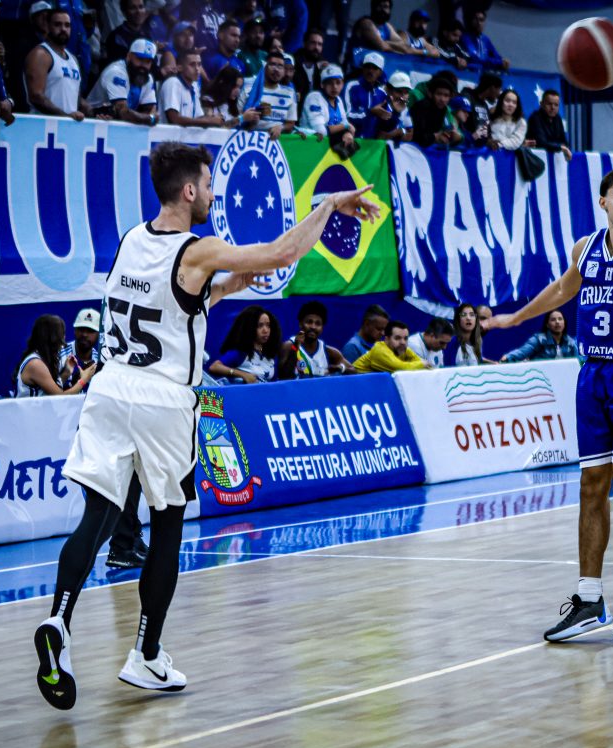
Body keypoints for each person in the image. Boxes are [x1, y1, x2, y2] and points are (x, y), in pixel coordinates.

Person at [33, 140, 379, 709]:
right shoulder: (197, 248)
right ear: (190, 190)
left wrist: (217, 293)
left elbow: (165, 308)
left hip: (110, 389)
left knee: (97, 515)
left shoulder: (131, 240)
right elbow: (280, 254)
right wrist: (328, 204)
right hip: (162, 399)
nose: (214, 195)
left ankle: (59, 621)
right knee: (168, 523)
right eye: (211, 185)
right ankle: (146, 654)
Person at [485, 167, 613, 643]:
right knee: (590, 485)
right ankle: (589, 598)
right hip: (593, 373)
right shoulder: (586, 247)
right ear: (603, 201)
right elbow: (563, 289)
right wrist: (515, 319)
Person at [24, 8, 87, 119]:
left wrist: (94, 111)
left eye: (67, 25)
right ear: (47, 27)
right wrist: (65, 116)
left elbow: (73, 99)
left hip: (67, 126)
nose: (63, 29)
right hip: (42, 125)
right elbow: (36, 97)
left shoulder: (73, 59)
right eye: (57, 24)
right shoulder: (41, 54)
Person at [14, 314, 97, 397]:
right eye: (61, 335)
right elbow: (59, 397)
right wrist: (83, 379)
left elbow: (52, 391)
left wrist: (66, 372)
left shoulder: (39, 359)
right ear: (51, 338)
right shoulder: (35, 364)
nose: (63, 339)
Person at [87, 37, 158, 123]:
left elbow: (151, 110)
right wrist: (150, 119)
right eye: (140, 59)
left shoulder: (147, 78)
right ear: (129, 56)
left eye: (148, 62)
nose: (143, 65)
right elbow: (123, 113)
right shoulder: (116, 72)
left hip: (117, 124)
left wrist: (149, 117)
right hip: (92, 120)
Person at [208, 304, 282, 383]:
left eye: (268, 325)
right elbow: (214, 367)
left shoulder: (270, 356)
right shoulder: (240, 353)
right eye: (260, 326)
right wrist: (243, 374)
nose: (266, 330)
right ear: (249, 327)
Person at [284, 300, 354, 378]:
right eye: (309, 322)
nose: (313, 327)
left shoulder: (329, 352)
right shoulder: (289, 346)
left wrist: (341, 368)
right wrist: (295, 348)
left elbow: (354, 371)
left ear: (322, 328)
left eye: (318, 324)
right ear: (300, 324)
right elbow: (283, 376)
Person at [163, 49, 230, 126]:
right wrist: (208, 121)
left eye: (199, 64)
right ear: (179, 68)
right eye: (192, 65)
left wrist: (214, 119)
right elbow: (174, 119)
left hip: (186, 133)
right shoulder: (172, 83)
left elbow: (198, 117)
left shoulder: (194, 86)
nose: (197, 69)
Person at [239, 49, 297, 138]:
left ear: (283, 71)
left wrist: (280, 127)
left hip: (276, 143)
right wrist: (250, 117)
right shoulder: (248, 90)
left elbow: (291, 123)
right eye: (272, 64)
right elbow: (237, 117)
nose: (276, 69)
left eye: (280, 66)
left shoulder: (290, 93)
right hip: (248, 139)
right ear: (265, 67)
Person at [299, 63, 354, 153]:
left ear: (343, 84)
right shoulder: (314, 97)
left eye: (338, 82)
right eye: (329, 83)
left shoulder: (339, 100)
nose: (334, 87)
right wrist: (345, 126)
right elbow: (321, 131)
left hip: (324, 149)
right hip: (307, 147)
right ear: (322, 84)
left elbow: (344, 123)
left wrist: (347, 133)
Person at [500, 309, 578, 362]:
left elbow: (579, 361)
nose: (557, 322)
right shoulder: (539, 340)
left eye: (560, 319)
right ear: (547, 324)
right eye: (553, 320)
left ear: (564, 323)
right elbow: (522, 352)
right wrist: (507, 358)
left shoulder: (571, 342)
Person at [103, 0, 166, 64]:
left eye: (141, 7)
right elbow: (123, 64)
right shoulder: (116, 37)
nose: (138, 11)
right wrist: (151, 50)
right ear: (124, 12)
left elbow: (153, 64)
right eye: (133, 8)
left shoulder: (147, 34)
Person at [352, 320, 427, 373]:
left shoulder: (403, 349)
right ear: (387, 339)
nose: (403, 342)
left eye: (405, 338)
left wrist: (423, 365)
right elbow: (401, 368)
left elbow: (425, 368)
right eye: (397, 338)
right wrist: (422, 364)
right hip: (351, 384)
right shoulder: (380, 351)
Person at [345, 50, 385, 139]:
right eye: (367, 67)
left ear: (380, 72)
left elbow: (387, 121)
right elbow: (345, 116)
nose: (370, 71)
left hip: (372, 144)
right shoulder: (351, 87)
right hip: (352, 139)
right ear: (362, 68)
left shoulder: (382, 93)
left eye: (375, 68)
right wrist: (370, 112)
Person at [410, 75, 460, 148]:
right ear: (430, 94)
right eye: (439, 94)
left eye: (446, 95)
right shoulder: (420, 107)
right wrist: (435, 137)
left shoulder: (443, 109)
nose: (442, 99)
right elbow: (417, 136)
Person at [59, 308, 101, 389]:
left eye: (90, 330)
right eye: (81, 329)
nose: (84, 334)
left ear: (98, 334)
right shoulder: (59, 354)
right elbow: (47, 393)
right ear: (74, 330)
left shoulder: (101, 361)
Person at [526, 88, 571, 158]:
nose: (553, 107)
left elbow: (564, 142)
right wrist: (560, 147)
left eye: (556, 105)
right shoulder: (535, 118)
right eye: (549, 104)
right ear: (541, 104)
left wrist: (562, 147)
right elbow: (541, 143)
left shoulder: (558, 118)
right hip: (536, 158)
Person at [460, 7, 506, 71]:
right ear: (470, 21)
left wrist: (502, 61)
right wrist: (497, 62)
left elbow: (498, 57)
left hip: (484, 73)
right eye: (476, 19)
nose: (479, 23)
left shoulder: (485, 39)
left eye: (481, 20)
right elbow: (475, 58)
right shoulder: (463, 38)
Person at [374, 69, 412, 142]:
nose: (402, 97)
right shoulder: (379, 103)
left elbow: (411, 134)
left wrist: (401, 132)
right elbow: (380, 138)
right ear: (389, 90)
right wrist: (399, 132)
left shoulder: (404, 106)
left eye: (406, 92)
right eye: (399, 92)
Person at [290, 25, 323, 99]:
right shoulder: (293, 63)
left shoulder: (322, 67)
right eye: (313, 43)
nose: (316, 47)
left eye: (319, 44)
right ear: (304, 43)